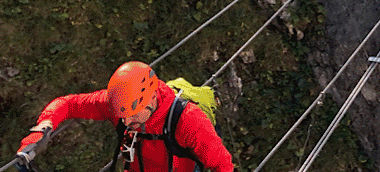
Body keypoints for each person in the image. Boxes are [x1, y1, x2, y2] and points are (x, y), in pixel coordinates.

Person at [16, 61, 233, 172]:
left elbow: (222, 165)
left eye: (131, 115)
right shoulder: (120, 107)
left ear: (151, 100)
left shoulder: (188, 120)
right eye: (122, 116)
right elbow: (68, 104)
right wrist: (43, 128)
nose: (126, 123)